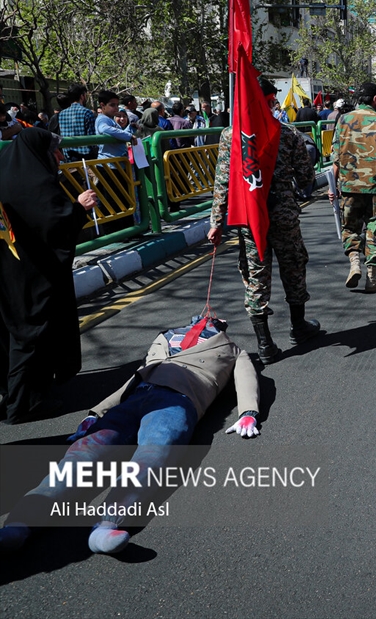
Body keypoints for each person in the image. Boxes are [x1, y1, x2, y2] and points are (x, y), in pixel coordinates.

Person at [0, 314, 260, 554]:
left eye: (214, 319)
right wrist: (97, 412)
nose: (206, 318)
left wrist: (248, 412)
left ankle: (108, 524)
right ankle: (21, 522)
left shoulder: (232, 350)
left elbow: (246, 379)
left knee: (155, 452)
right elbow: (135, 377)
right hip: (135, 396)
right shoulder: (165, 336)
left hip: (178, 400)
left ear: (222, 325)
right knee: (84, 452)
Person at [208, 76, 321, 364]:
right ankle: (298, 327)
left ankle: (265, 344)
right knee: (293, 266)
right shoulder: (287, 133)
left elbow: (223, 181)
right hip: (283, 214)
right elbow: (306, 177)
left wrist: (216, 222)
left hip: (250, 217)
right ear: (270, 101)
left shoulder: (231, 135)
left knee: (255, 276)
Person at [0, 128, 97, 424]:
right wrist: (80, 207)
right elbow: (55, 224)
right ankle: (23, 405)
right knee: (32, 332)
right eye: (54, 151)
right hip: (32, 272)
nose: (59, 157)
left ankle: (12, 393)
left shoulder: (6, 173)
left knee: (11, 331)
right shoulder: (35, 183)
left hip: (8, 268)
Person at [330, 82, 376, 294]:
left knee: (350, 228)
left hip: (349, 185)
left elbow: (336, 156)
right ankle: (372, 276)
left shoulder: (343, 120)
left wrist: (332, 187)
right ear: (375, 99)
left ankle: (354, 262)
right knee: (375, 228)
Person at [57, 83, 97, 160]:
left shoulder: (62, 114)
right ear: (82, 96)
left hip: (68, 155)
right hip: (86, 157)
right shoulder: (87, 112)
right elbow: (92, 137)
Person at [94, 90, 136, 160]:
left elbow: (118, 134)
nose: (116, 108)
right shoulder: (102, 119)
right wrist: (129, 136)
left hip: (116, 161)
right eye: (112, 105)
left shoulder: (110, 119)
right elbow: (104, 129)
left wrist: (131, 128)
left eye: (117, 105)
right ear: (102, 105)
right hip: (109, 162)